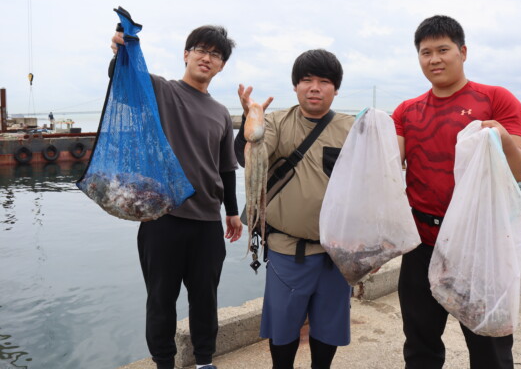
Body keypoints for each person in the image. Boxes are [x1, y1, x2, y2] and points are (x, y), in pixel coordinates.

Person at [391, 15, 521, 369]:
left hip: (481, 245)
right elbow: (388, 165)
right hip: (421, 242)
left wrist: (500, 137)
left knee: (490, 348)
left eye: (443, 50)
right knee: (420, 346)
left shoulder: (497, 99)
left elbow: (519, 171)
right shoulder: (407, 111)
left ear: (463, 52)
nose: (434, 59)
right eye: (425, 52)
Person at [111, 24, 243, 369]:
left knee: (205, 299)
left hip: (206, 223)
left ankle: (204, 361)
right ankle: (164, 363)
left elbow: (226, 167)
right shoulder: (162, 91)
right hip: (161, 218)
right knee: (160, 300)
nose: (207, 57)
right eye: (200, 49)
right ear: (186, 54)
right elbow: (124, 80)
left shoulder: (220, 113)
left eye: (215, 54)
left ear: (221, 66)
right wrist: (121, 53)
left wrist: (232, 211)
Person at [235, 49, 355, 369]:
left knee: (328, 326)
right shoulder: (277, 122)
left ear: (336, 88)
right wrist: (252, 119)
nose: (314, 87)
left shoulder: (352, 129)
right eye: (307, 80)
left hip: (337, 252)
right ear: (295, 86)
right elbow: (253, 147)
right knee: (283, 325)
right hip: (288, 250)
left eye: (324, 81)